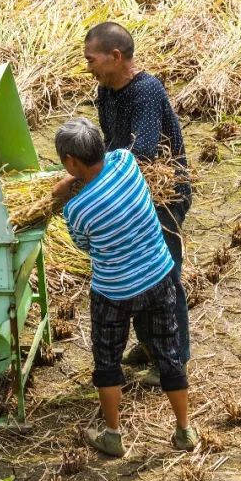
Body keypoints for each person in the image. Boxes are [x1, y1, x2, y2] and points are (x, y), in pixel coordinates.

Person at [52, 118, 198, 458]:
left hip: (114, 292)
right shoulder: (126, 162)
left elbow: (84, 245)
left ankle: (113, 435)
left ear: (71, 162)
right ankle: (184, 430)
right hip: (159, 275)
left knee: (107, 360)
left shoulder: (76, 209)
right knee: (168, 352)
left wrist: (64, 192)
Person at [82, 21, 191, 388]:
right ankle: (149, 345)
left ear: (115, 57)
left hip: (162, 194)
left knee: (163, 274)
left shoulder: (145, 91)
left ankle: (173, 359)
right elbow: (112, 141)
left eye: (91, 59)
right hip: (132, 190)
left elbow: (140, 150)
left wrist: (91, 178)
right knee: (138, 270)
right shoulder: (107, 90)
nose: (88, 66)